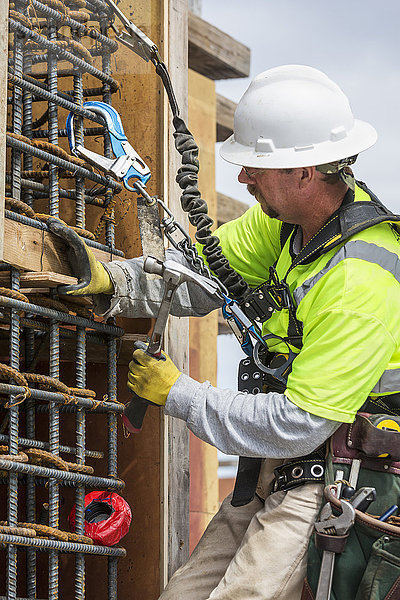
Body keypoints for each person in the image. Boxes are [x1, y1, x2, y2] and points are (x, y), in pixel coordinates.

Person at [49, 65, 400, 599]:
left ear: (304, 171)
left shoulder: (361, 278)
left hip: (329, 475)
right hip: (274, 466)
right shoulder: (289, 225)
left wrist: (180, 394)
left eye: (256, 167)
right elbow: (204, 275)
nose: (243, 179)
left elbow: (300, 422)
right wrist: (114, 283)